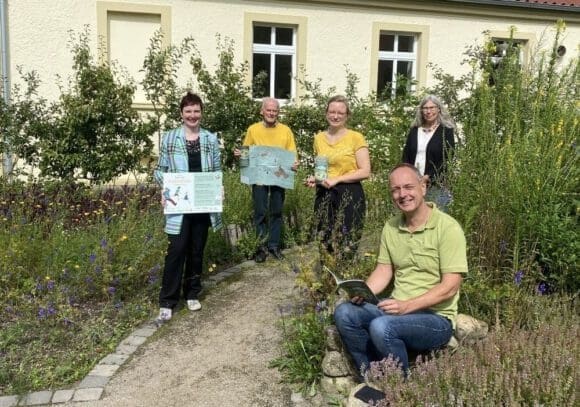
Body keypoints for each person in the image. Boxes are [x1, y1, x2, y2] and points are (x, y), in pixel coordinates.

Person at [334, 163, 468, 378]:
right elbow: (384, 270)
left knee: (382, 327)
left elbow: (450, 286)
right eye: (396, 189)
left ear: (423, 187)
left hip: (435, 318)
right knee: (345, 312)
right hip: (396, 309)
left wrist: (408, 306)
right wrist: (364, 291)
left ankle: (399, 386)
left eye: (408, 187)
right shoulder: (391, 227)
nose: (402, 194)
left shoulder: (448, 228)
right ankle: (369, 375)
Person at [153, 92, 222, 322]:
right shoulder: (171, 138)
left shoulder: (211, 139)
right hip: (179, 205)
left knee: (196, 250)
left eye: (196, 111)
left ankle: (192, 293)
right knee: (176, 250)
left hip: (202, 203)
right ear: (181, 113)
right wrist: (167, 190)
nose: (193, 115)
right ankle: (167, 300)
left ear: (201, 113)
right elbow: (159, 170)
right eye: (188, 111)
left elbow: (216, 172)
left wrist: (218, 189)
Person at [305, 95, 371, 262]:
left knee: (348, 237)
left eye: (340, 113)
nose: (335, 116)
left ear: (347, 115)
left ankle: (345, 276)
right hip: (325, 192)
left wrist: (338, 179)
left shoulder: (356, 137)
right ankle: (327, 278)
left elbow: (365, 171)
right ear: (326, 113)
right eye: (332, 112)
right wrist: (316, 178)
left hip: (350, 191)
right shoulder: (318, 138)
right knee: (324, 236)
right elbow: (323, 168)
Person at [234, 97, 297, 263]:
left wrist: (294, 163)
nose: (271, 113)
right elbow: (246, 152)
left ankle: (274, 246)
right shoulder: (253, 129)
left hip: (279, 175)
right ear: (262, 111)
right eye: (268, 110)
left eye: (274, 110)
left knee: (276, 211)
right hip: (259, 176)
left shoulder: (286, 131)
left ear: (278, 112)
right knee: (260, 211)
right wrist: (241, 156)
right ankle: (261, 247)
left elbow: (292, 153)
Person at [402, 95, 455, 210]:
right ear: (421, 111)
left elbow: (447, 158)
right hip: (413, 183)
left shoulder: (446, 131)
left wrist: (428, 176)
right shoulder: (415, 130)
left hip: (436, 185)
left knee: (435, 218)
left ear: (438, 109)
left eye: (432, 107)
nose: (428, 111)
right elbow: (406, 155)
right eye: (425, 108)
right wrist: (408, 175)